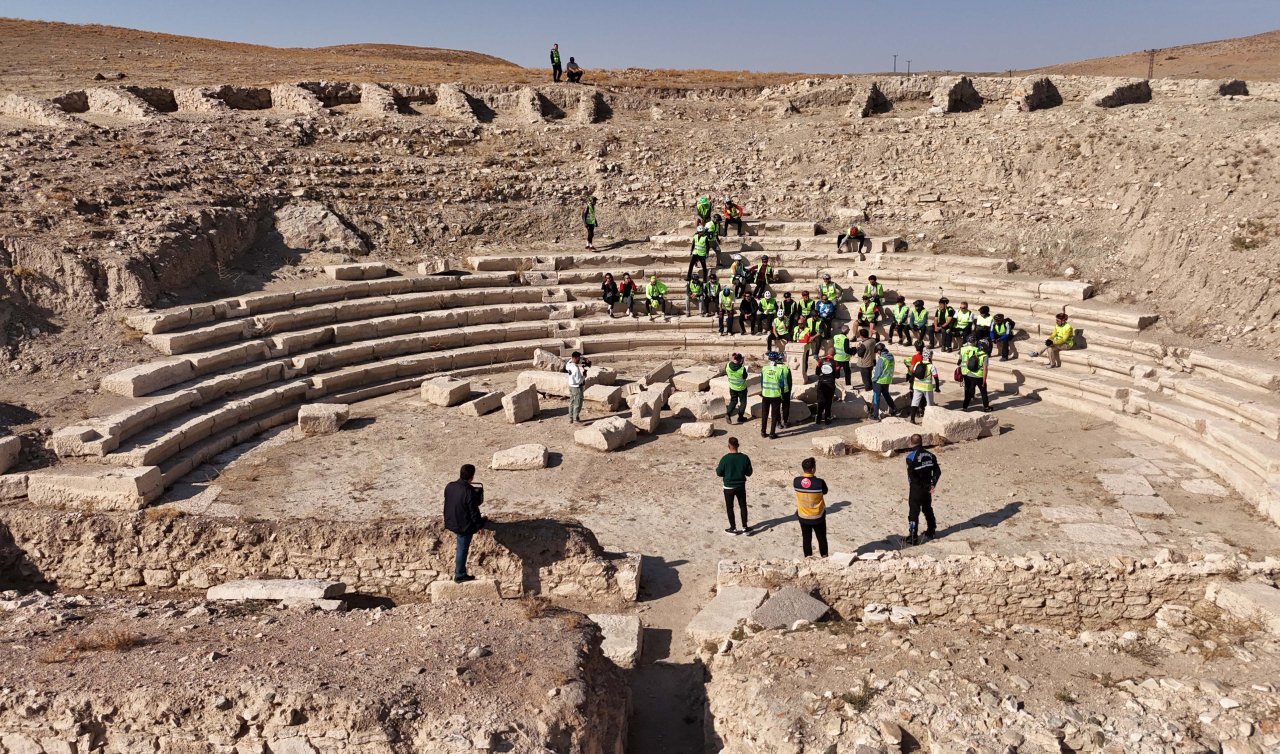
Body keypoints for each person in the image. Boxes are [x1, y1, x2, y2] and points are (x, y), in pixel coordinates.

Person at [443, 464, 485, 582]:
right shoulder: (469, 491)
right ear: (472, 477)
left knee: (460, 546)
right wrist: (480, 526)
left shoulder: (450, 486)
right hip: (462, 525)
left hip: (451, 521)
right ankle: (460, 574)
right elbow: (474, 512)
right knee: (462, 548)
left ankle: (459, 572)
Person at [904, 435, 941, 545]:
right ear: (921, 442)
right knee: (927, 509)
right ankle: (931, 530)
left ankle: (913, 537)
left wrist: (918, 485)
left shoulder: (910, 457)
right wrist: (932, 484)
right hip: (927, 487)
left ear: (911, 443)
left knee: (913, 513)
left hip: (916, 489)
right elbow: (938, 471)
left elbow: (912, 476)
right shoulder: (931, 455)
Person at [716, 436, 754, 535]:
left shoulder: (725, 459)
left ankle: (733, 528)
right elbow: (749, 473)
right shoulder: (744, 457)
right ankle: (745, 527)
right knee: (743, 506)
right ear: (738, 445)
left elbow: (719, 473)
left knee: (730, 507)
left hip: (728, 487)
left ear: (728, 446)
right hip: (741, 486)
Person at [794, 457, 829, 557]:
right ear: (813, 469)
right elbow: (825, 492)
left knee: (806, 538)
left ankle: (808, 558)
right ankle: (824, 556)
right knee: (821, 538)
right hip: (817, 516)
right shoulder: (820, 482)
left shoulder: (796, 481)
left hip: (803, 516)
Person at [908, 349, 940, 424]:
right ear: (930, 357)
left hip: (917, 386)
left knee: (914, 403)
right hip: (927, 388)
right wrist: (937, 388)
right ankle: (929, 421)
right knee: (929, 404)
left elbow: (912, 375)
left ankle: (912, 419)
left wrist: (911, 386)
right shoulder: (931, 366)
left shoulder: (917, 364)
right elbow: (936, 378)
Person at [759, 352, 786, 439]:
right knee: (774, 415)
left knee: (764, 414)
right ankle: (772, 434)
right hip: (775, 395)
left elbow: (762, 381)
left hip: (765, 394)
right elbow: (782, 384)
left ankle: (763, 432)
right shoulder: (779, 370)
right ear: (777, 360)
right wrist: (782, 394)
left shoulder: (764, 369)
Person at [870, 343, 899, 420]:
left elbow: (878, 372)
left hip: (879, 381)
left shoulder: (882, 359)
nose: (877, 353)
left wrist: (873, 379)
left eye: (877, 352)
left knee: (876, 397)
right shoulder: (891, 357)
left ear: (879, 351)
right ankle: (895, 409)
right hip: (887, 380)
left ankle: (875, 415)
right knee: (887, 396)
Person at [960, 339, 991, 412]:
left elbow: (968, 362)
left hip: (970, 375)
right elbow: (985, 369)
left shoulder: (975, 353)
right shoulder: (985, 356)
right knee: (983, 393)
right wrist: (984, 380)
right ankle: (986, 407)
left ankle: (965, 407)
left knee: (969, 393)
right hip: (979, 377)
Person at [814, 347, 838, 424]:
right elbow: (837, 375)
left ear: (827, 352)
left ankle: (818, 419)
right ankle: (827, 419)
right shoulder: (836, 363)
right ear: (834, 354)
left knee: (820, 401)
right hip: (830, 384)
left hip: (821, 383)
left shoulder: (821, 361)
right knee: (828, 402)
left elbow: (817, 372)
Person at [566, 351, 591, 423]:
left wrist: (584, 359)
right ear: (576, 358)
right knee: (578, 403)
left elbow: (571, 359)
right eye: (579, 358)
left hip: (571, 386)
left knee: (572, 402)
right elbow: (578, 380)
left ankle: (570, 417)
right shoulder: (576, 368)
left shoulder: (569, 364)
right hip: (577, 387)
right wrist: (584, 375)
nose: (580, 360)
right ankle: (575, 418)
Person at [725, 353, 749, 423]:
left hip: (732, 387)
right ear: (741, 360)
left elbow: (726, 373)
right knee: (743, 402)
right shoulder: (742, 369)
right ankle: (740, 417)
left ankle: (728, 414)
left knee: (733, 401)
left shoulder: (728, 365)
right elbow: (745, 377)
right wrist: (741, 365)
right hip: (741, 388)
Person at [777, 353, 794, 428]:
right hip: (786, 390)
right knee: (786, 406)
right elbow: (789, 381)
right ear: (783, 359)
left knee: (777, 407)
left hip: (776, 391)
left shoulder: (774, 367)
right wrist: (790, 390)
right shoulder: (786, 368)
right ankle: (785, 422)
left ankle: (778, 423)